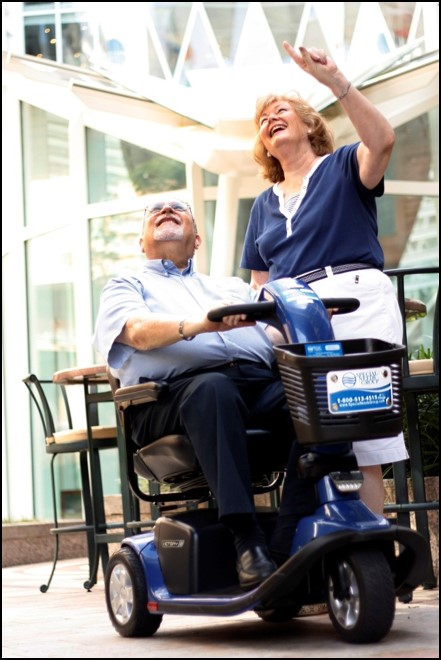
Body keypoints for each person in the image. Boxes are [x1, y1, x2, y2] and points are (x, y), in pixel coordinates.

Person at [92, 199, 317, 586]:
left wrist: (302, 316)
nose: (165, 209)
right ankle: (246, 539)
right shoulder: (127, 284)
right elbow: (138, 332)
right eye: (154, 211)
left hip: (252, 387)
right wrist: (201, 324)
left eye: (178, 208)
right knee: (213, 388)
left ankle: (287, 535)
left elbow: (273, 336)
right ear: (142, 243)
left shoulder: (229, 286)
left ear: (197, 239)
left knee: (312, 398)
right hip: (167, 400)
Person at [240, 43, 408, 517]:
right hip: (296, 319)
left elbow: (384, 140)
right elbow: (260, 286)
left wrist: (336, 83)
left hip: (356, 302)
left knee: (361, 439)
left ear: (310, 124)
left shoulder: (342, 166)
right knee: (311, 440)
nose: (270, 118)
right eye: (263, 120)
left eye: (281, 111)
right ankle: (322, 557)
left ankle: (369, 553)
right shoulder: (261, 205)